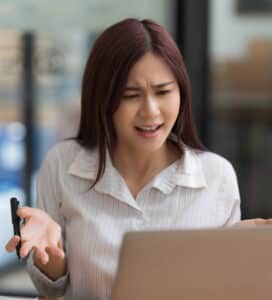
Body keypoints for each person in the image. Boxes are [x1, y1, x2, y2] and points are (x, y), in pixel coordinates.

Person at [5, 18, 272, 300]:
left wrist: (247, 257)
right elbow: (50, 290)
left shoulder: (217, 176)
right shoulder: (62, 164)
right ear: (103, 99)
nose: (151, 111)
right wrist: (51, 256)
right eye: (131, 95)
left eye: (163, 91)